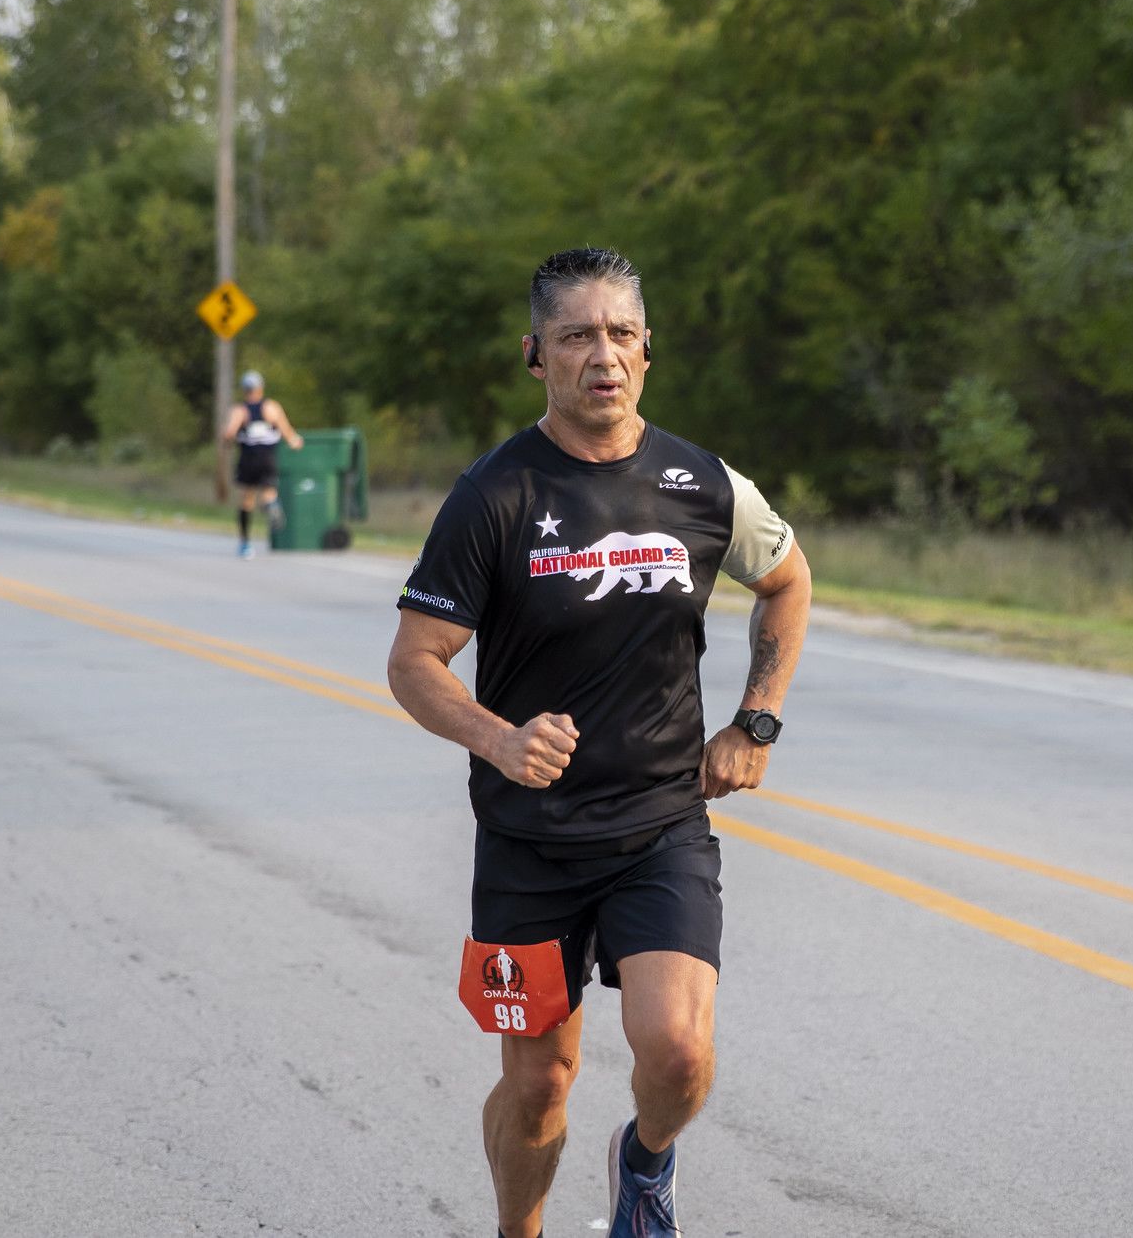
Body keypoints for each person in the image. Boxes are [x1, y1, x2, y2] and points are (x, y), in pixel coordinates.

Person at [385, 248, 812, 1238]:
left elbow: (787, 580)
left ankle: (646, 1160)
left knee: (675, 1052)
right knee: (539, 1085)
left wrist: (755, 720)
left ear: (648, 352)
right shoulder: (491, 497)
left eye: (621, 334)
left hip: (659, 823)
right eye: (577, 336)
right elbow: (414, 659)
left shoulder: (701, 483)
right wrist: (497, 739)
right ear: (535, 356)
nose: (603, 356)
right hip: (529, 843)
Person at [219, 370, 303, 558]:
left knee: (247, 500)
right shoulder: (272, 408)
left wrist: (228, 442)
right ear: (260, 388)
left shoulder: (239, 411)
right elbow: (288, 433)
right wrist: (296, 442)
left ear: (244, 390)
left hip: (248, 459)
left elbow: (228, 434)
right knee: (268, 491)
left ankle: (245, 544)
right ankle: (272, 504)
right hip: (268, 458)